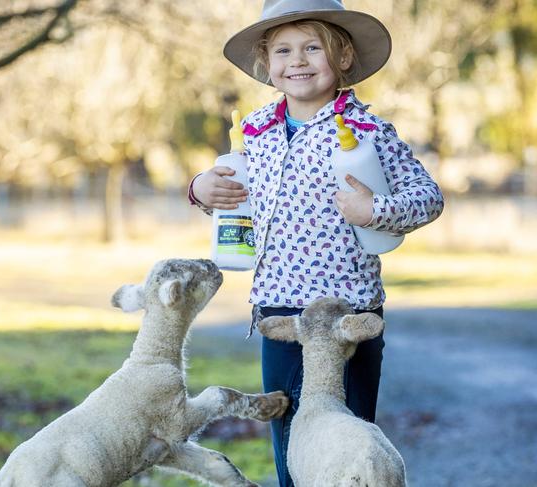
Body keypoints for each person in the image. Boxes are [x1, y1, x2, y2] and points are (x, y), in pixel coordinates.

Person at [188, 1, 444, 485]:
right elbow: (232, 194)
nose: (298, 60)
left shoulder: (370, 132)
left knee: (347, 449)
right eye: (283, 50)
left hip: (346, 317)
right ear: (266, 62)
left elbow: (428, 197)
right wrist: (201, 189)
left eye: (313, 47)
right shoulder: (255, 131)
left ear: (343, 56)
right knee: (291, 445)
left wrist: (375, 211)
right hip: (278, 313)